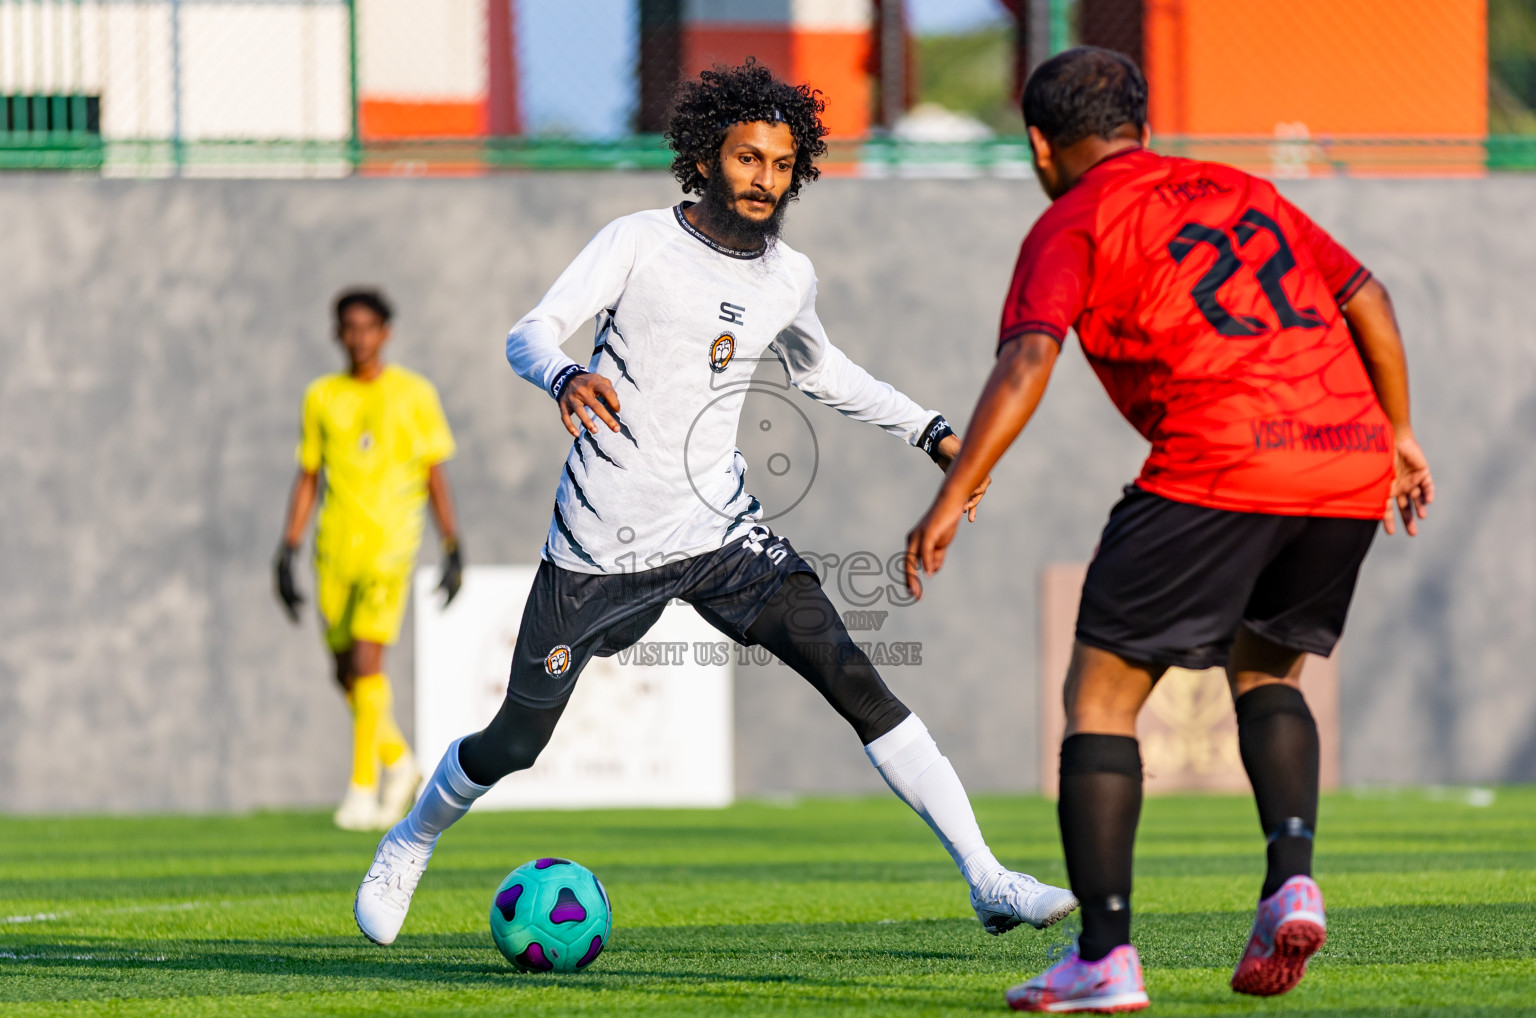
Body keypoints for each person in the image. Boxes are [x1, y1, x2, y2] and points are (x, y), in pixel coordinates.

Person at [351, 61, 1078, 947]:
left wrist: (929, 430)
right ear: (706, 158)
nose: (764, 178)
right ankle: (411, 838)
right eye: (747, 158)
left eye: (780, 162)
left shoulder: (788, 278)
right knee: (515, 744)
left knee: (854, 676)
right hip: (600, 549)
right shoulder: (637, 242)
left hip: (722, 533)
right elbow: (531, 330)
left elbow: (825, 375)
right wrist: (566, 372)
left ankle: (988, 877)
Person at [905, 48, 1433, 1014]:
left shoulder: (1073, 216)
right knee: (1267, 673)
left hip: (1225, 455)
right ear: (1141, 125)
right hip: (1345, 450)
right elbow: (1370, 297)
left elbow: (1029, 358)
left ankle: (1104, 957)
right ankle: (1292, 880)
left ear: (1040, 144)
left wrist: (953, 492)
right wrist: (1398, 433)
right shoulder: (1248, 190)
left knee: (1100, 696)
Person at [275, 288, 465, 831]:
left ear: (386, 333)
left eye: (368, 327)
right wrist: (287, 549)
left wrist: (452, 544)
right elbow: (309, 476)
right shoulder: (320, 396)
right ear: (337, 333)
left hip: (389, 548)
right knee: (344, 673)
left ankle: (363, 789)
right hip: (334, 550)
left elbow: (434, 473)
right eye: (348, 328)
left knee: (366, 663)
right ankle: (400, 763)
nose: (358, 338)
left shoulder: (414, 394)